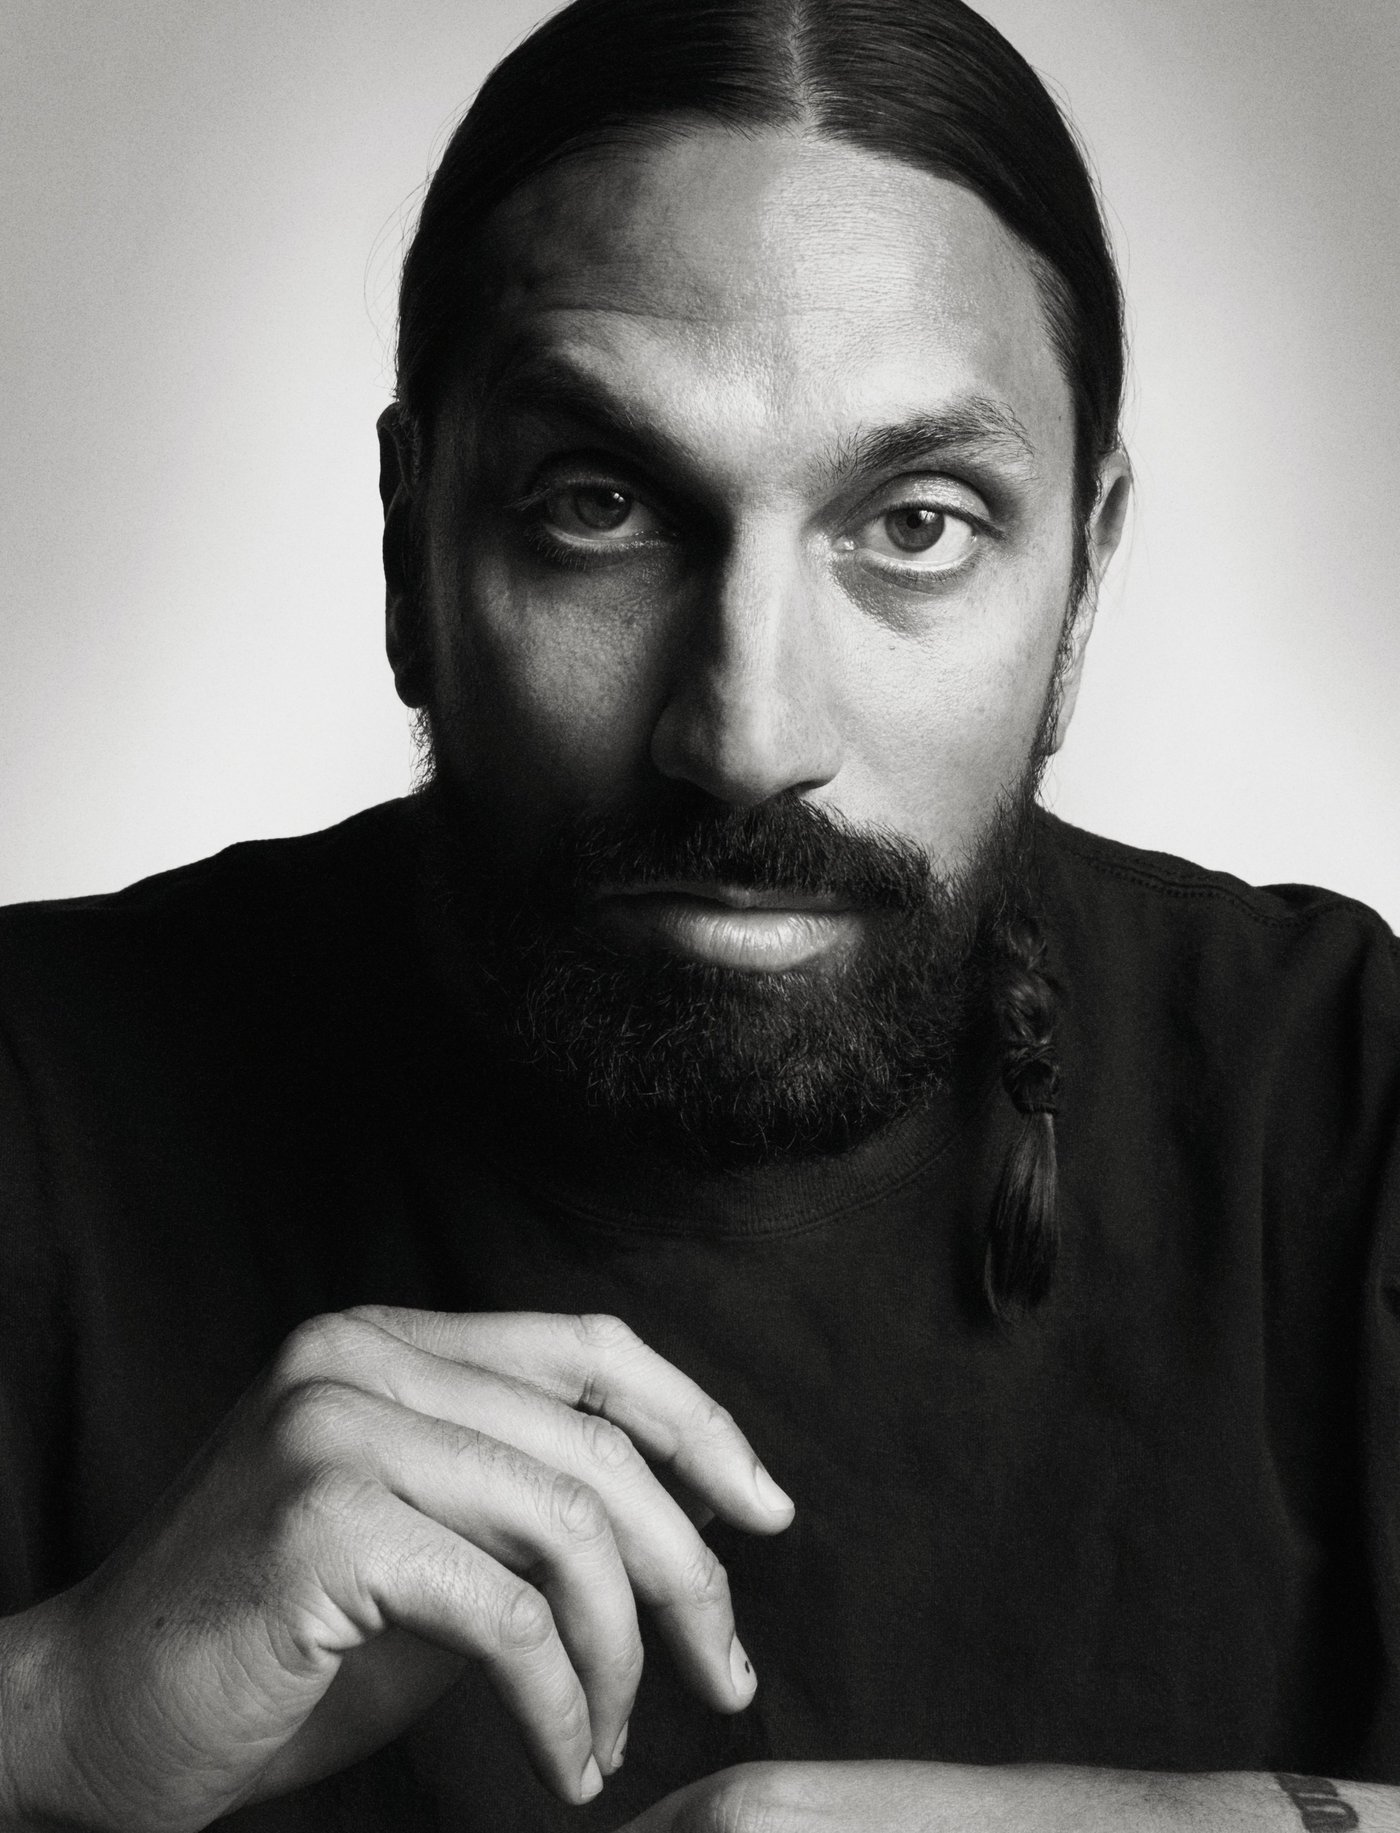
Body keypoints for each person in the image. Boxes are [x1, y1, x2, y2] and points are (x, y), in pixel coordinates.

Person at [1, 0, 1398, 1828]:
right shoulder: (33, 1087)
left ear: (1086, 572)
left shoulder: (1341, 1090)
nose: (748, 735)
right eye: (601, 507)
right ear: (410, 543)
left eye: (915, 525)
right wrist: (51, 1715)